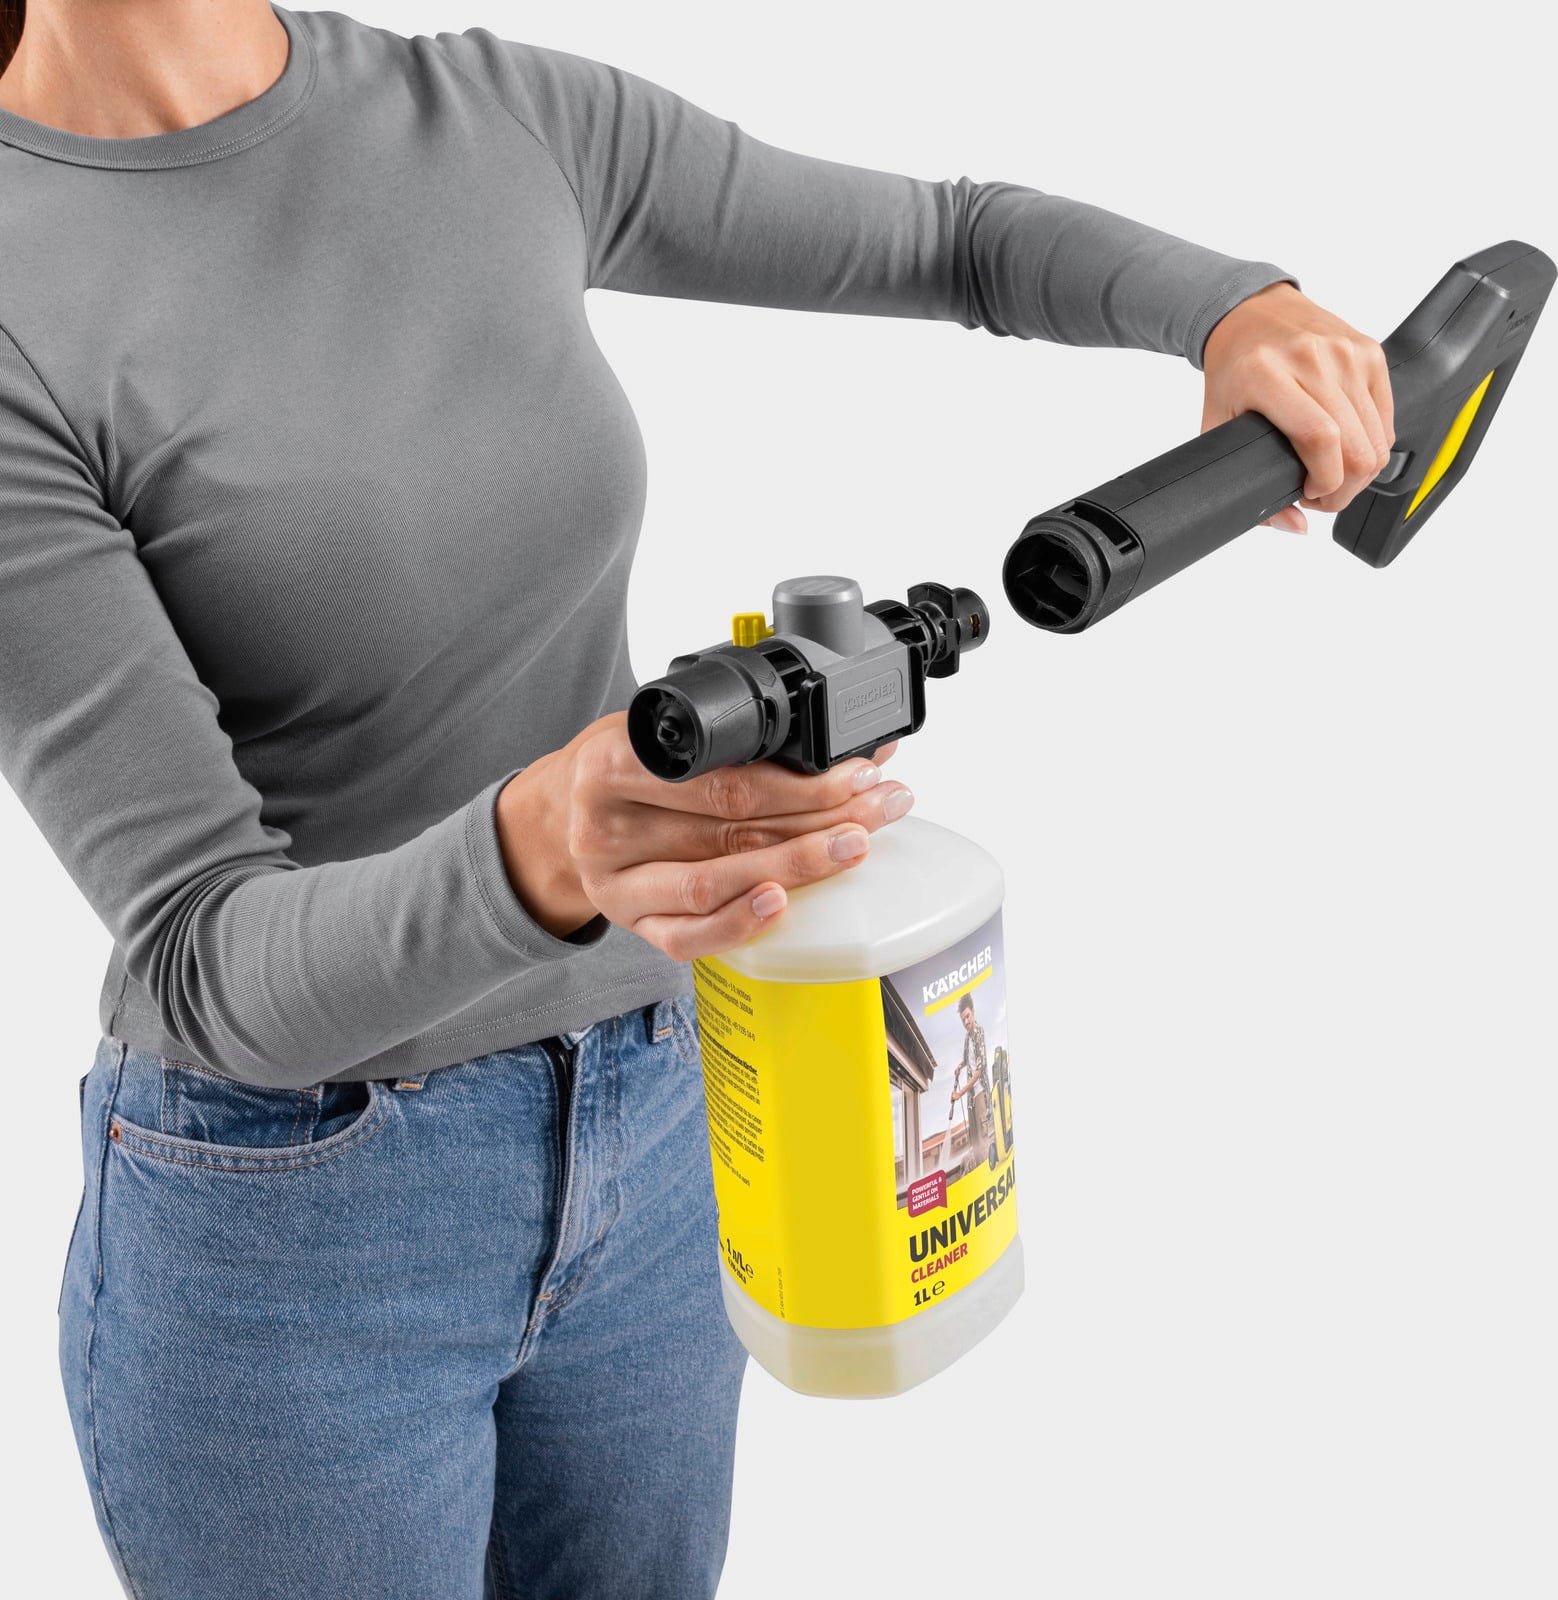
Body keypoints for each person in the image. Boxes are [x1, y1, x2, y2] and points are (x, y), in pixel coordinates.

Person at [0, 3, 1395, 1595]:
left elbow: (957, 240)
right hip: (299, 1218)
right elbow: (201, 955)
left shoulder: (493, 116)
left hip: (666, 1107)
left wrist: (1236, 308)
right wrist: (544, 846)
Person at [950, 991, 995, 1166]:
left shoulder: (978, 1033)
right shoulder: (967, 1038)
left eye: (968, 1016)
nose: (966, 1022)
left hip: (980, 1092)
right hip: (971, 1098)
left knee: (983, 1141)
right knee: (974, 1139)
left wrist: (959, 1093)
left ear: (973, 1012)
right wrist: (960, 1066)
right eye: (963, 1019)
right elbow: (968, 1059)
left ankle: (987, 1173)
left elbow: (978, 1071)